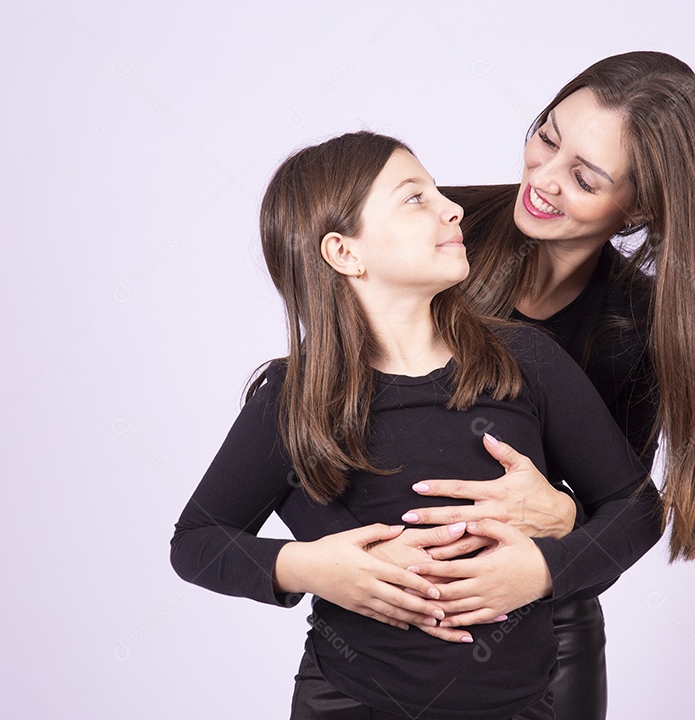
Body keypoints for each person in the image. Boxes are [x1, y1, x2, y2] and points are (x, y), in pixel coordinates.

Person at [271, 51, 695, 720]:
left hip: (547, 635)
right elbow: (300, 425)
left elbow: (623, 508)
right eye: (547, 137)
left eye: (584, 176)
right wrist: (358, 558)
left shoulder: (640, 328)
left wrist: (563, 523)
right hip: (381, 644)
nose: (543, 178)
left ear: (638, 209)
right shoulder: (441, 231)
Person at [169, 130, 656, 719]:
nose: (453, 207)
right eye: (415, 197)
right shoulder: (292, 399)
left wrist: (544, 569)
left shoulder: (526, 361)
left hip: (522, 703)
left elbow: (637, 508)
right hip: (349, 701)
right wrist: (312, 566)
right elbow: (197, 541)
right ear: (344, 253)